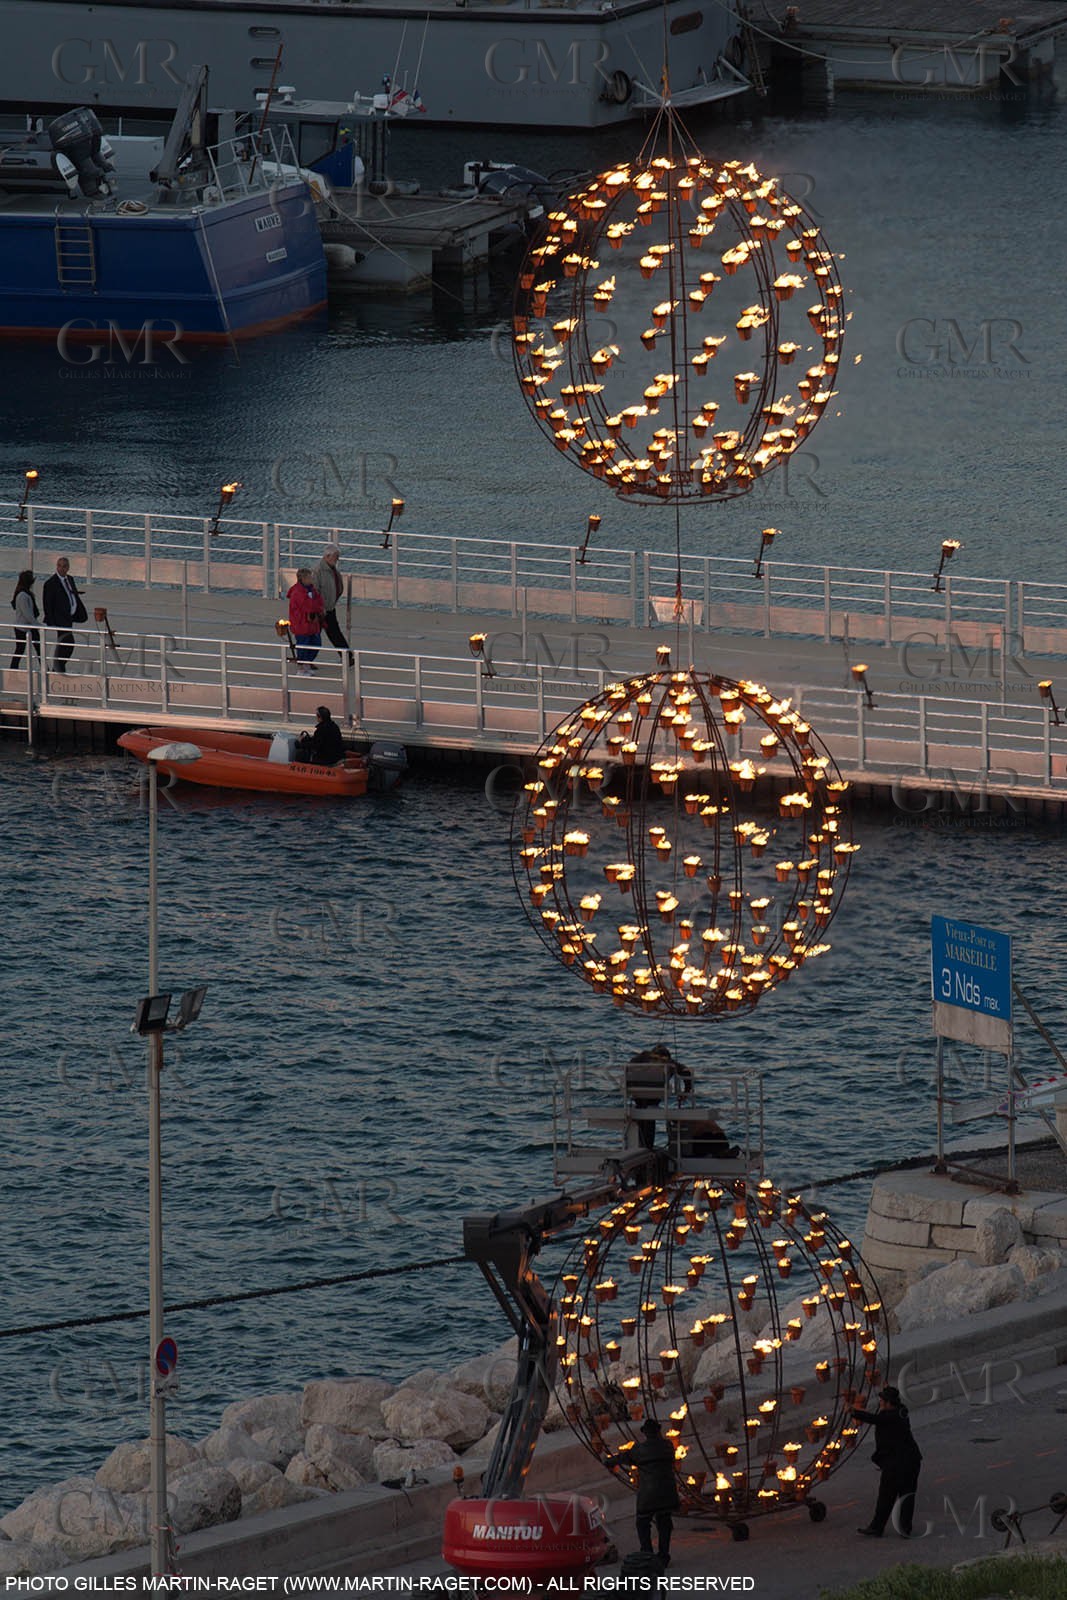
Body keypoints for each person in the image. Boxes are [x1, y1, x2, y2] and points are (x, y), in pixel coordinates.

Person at [852, 1385, 923, 1538]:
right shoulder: (900, 1411)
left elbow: (875, 1419)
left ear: (889, 1402)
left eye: (882, 1400)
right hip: (909, 1461)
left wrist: (853, 1412)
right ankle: (904, 1529)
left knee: (887, 1496)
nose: (880, 1403)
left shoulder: (892, 1416)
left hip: (898, 1464)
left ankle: (878, 1527)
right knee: (905, 1495)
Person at [630, 1418, 679, 1568]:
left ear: (646, 1433)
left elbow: (625, 1458)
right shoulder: (668, 1445)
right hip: (668, 1492)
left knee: (643, 1522)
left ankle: (647, 1554)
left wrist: (610, 1461)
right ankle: (663, 1556)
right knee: (664, 1522)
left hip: (649, 1495)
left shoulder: (640, 1449)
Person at [625, 1045, 693, 1151]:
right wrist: (686, 1091)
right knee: (649, 1115)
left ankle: (640, 1146)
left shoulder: (643, 1056)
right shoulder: (669, 1062)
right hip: (654, 1096)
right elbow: (686, 1072)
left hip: (637, 1094)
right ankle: (647, 1147)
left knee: (642, 1113)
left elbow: (628, 1067)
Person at [42, 556, 87, 673]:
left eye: (64, 566)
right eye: (59, 566)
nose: (61, 568)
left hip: (69, 618)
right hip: (60, 619)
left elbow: (71, 595)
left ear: (68, 568)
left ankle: (58, 668)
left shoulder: (70, 579)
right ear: (57, 566)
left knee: (65, 645)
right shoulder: (51, 583)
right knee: (68, 644)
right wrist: (51, 621)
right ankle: (58, 668)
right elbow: (47, 603)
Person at [312, 545, 353, 664]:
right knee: (314, 635)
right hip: (321, 610)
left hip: (330, 608)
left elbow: (338, 587)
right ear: (327, 556)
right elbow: (315, 591)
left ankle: (346, 656)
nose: (337, 559)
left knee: (334, 633)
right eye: (336, 557)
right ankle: (305, 660)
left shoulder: (332, 569)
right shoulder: (318, 570)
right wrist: (320, 608)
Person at [287, 568, 324, 675]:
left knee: (316, 643)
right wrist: (317, 607)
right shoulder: (297, 592)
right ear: (302, 579)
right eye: (309, 577)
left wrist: (318, 607)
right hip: (302, 624)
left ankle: (306, 664)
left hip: (312, 623)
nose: (312, 579)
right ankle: (301, 668)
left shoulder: (312, 590)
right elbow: (309, 606)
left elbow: (319, 602)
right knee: (303, 645)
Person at [10, 571, 41, 669]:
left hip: (27, 626)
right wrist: (38, 625)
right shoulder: (23, 595)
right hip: (24, 627)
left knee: (37, 648)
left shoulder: (23, 593)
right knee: (21, 649)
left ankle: (13, 669)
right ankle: (13, 669)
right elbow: (27, 614)